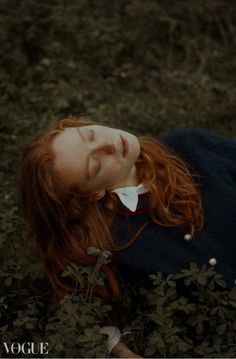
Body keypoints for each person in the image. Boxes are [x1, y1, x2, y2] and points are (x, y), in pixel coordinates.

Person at [19, 116, 236, 357]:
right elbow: (87, 313)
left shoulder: (191, 145)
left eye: (90, 135)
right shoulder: (107, 244)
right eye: (96, 165)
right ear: (92, 194)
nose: (108, 145)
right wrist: (121, 352)